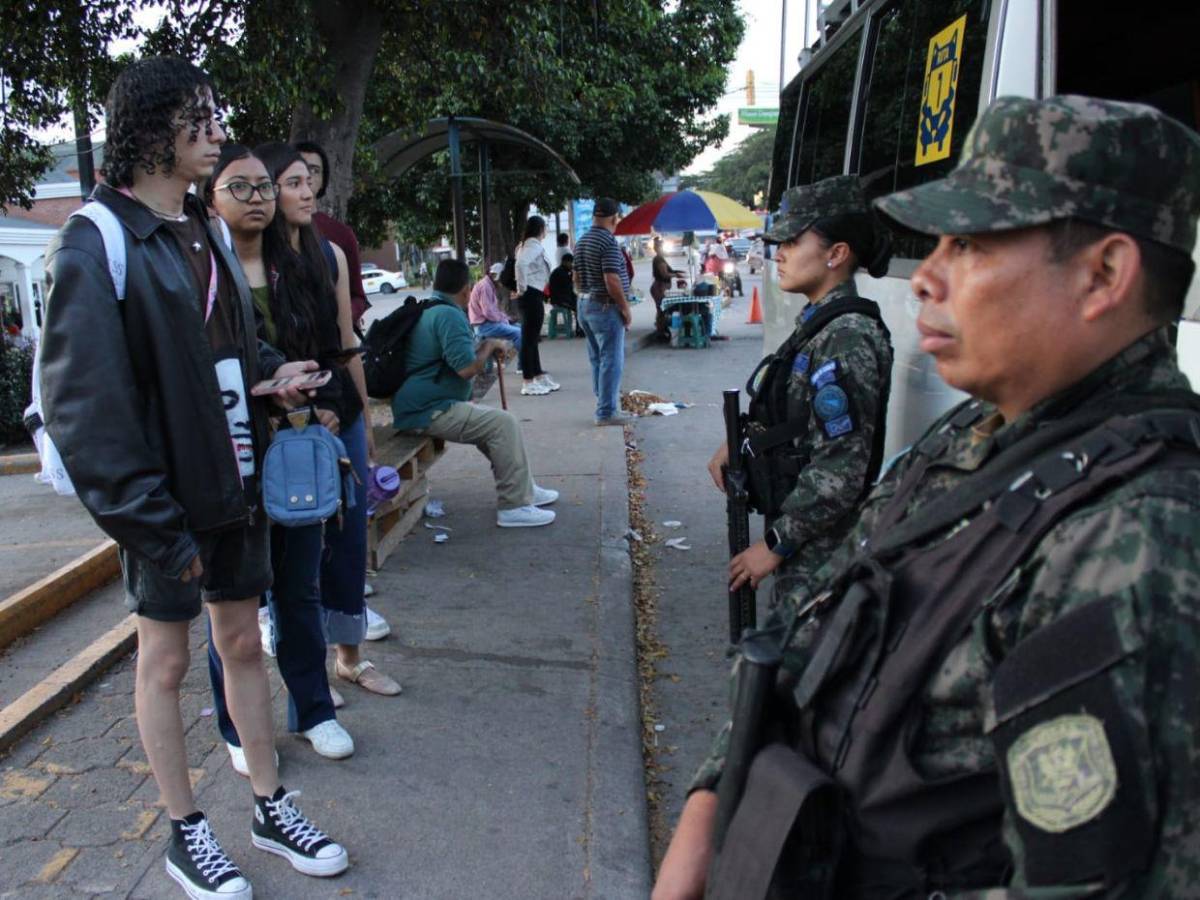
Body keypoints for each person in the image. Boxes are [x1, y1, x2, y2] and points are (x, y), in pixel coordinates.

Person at [654, 94, 1200, 900]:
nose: (927, 280)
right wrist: (708, 805)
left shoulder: (1142, 541)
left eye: (970, 244)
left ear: (1103, 275)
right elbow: (826, 616)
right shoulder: (978, 435)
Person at [38, 58, 348, 899]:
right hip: (164, 503)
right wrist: (156, 529)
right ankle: (184, 831)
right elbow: (86, 410)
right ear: (150, 130)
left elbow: (221, 351)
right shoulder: (97, 239)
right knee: (165, 662)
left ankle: (267, 804)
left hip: (231, 481)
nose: (216, 133)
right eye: (199, 119)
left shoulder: (199, 231)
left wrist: (272, 373)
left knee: (245, 643)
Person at [204, 142, 358, 766]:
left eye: (264, 187)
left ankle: (314, 710)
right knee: (234, 606)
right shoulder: (199, 276)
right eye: (240, 187)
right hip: (229, 459)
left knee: (299, 588)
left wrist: (328, 405)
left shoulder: (304, 266)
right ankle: (237, 729)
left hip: (296, 453)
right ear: (209, 198)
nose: (259, 199)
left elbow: (331, 353)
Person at [258, 141, 401, 699]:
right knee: (297, 549)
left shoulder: (330, 255)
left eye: (309, 179)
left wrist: (364, 420)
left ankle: (350, 657)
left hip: (339, 412)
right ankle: (307, 671)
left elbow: (346, 345)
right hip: (287, 419)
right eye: (292, 182)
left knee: (347, 538)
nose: (306, 191)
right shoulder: (250, 262)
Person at [707, 175, 894, 603]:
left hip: (825, 555)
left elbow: (840, 471)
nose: (780, 255)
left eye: (793, 242)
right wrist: (742, 442)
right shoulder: (820, 324)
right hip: (810, 543)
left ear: (837, 254)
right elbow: (800, 421)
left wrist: (773, 546)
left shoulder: (846, 335)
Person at [392, 258, 559, 527]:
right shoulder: (448, 315)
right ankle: (513, 506)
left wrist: (486, 344)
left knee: (497, 427)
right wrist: (490, 345)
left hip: (427, 404)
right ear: (465, 289)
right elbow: (467, 368)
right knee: (503, 425)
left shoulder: (434, 308)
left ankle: (523, 487)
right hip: (429, 409)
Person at [294, 140, 371, 334]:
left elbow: (358, 296)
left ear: (323, 179)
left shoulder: (341, 234)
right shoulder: (267, 230)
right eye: (300, 168)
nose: (307, 176)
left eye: (314, 170)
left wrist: (340, 319)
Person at [574, 197, 634, 426]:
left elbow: (577, 278)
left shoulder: (582, 241)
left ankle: (604, 402)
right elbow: (612, 279)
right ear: (614, 218)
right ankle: (606, 412)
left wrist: (586, 295)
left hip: (584, 304)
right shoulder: (608, 242)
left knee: (597, 358)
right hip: (604, 306)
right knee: (612, 359)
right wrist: (625, 307)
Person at [514, 215, 560, 395]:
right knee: (529, 339)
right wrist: (522, 288)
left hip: (532, 293)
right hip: (531, 293)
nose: (546, 230)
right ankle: (528, 380)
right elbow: (521, 264)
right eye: (545, 227)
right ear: (540, 229)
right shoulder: (532, 245)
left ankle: (537, 374)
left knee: (532, 338)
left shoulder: (526, 244)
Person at [470, 261, 523, 349]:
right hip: (484, 326)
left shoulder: (489, 286)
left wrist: (507, 319)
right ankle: (521, 362)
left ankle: (518, 356)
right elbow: (488, 313)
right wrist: (505, 320)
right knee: (519, 333)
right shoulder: (485, 287)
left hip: (488, 324)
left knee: (521, 328)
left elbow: (494, 311)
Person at [650, 237, 685, 341]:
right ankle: (660, 332)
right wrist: (675, 275)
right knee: (661, 310)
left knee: (661, 309)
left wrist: (678, 272)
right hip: (659, 287)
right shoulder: (658, 259)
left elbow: (669, 271)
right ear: (658, 248)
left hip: (661, 287)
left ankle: (661, 331)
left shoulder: (661, 258)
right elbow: (664, 274)